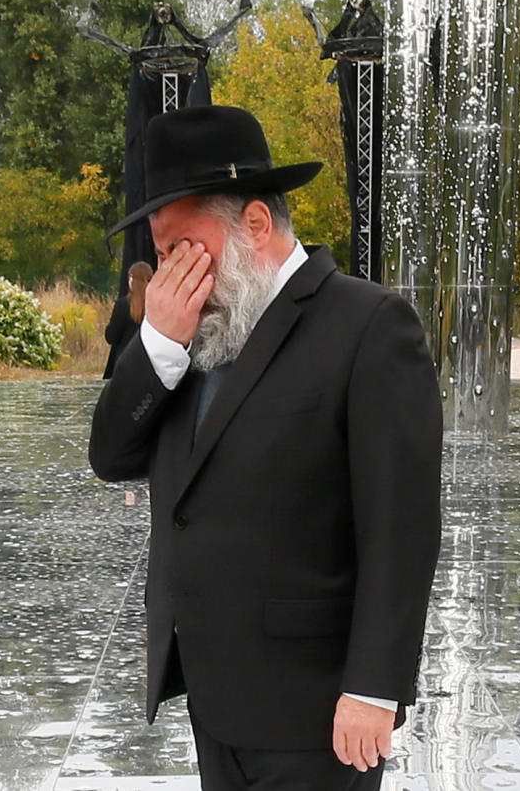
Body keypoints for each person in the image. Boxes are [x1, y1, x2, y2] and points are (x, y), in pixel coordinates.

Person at [88, 105, 442, 789]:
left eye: (180, 249)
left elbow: (401, 525)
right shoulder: (189, 334)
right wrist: (156, 342)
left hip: (319, 708)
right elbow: (111, 456)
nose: (167, 276)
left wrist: (375, 688)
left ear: (253, 224)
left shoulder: (368, 325)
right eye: (159, 256)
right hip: (215, 697)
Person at [103, 261, 154, 378]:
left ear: (131, 280)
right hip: (150, 364)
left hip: (125, 363)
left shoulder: (122, 305)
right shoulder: (156, 306)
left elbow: (111, 337)